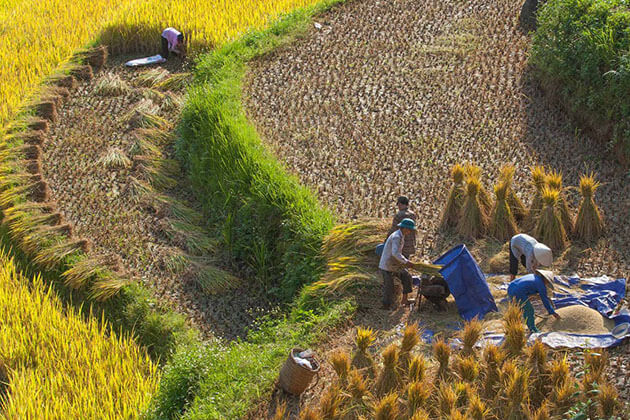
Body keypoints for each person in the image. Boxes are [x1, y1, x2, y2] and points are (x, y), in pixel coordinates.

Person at [379, 218, 416, 310]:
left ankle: (404, 300)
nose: (410, 231)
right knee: (389, 286)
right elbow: (395, 253)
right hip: (387, 265)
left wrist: (403, 262)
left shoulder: (401, 235)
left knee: (406, 277)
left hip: (395, 264)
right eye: (409, 229)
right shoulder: (396, 237)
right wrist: (406, 262)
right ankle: (385, 306)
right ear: (404, 228)